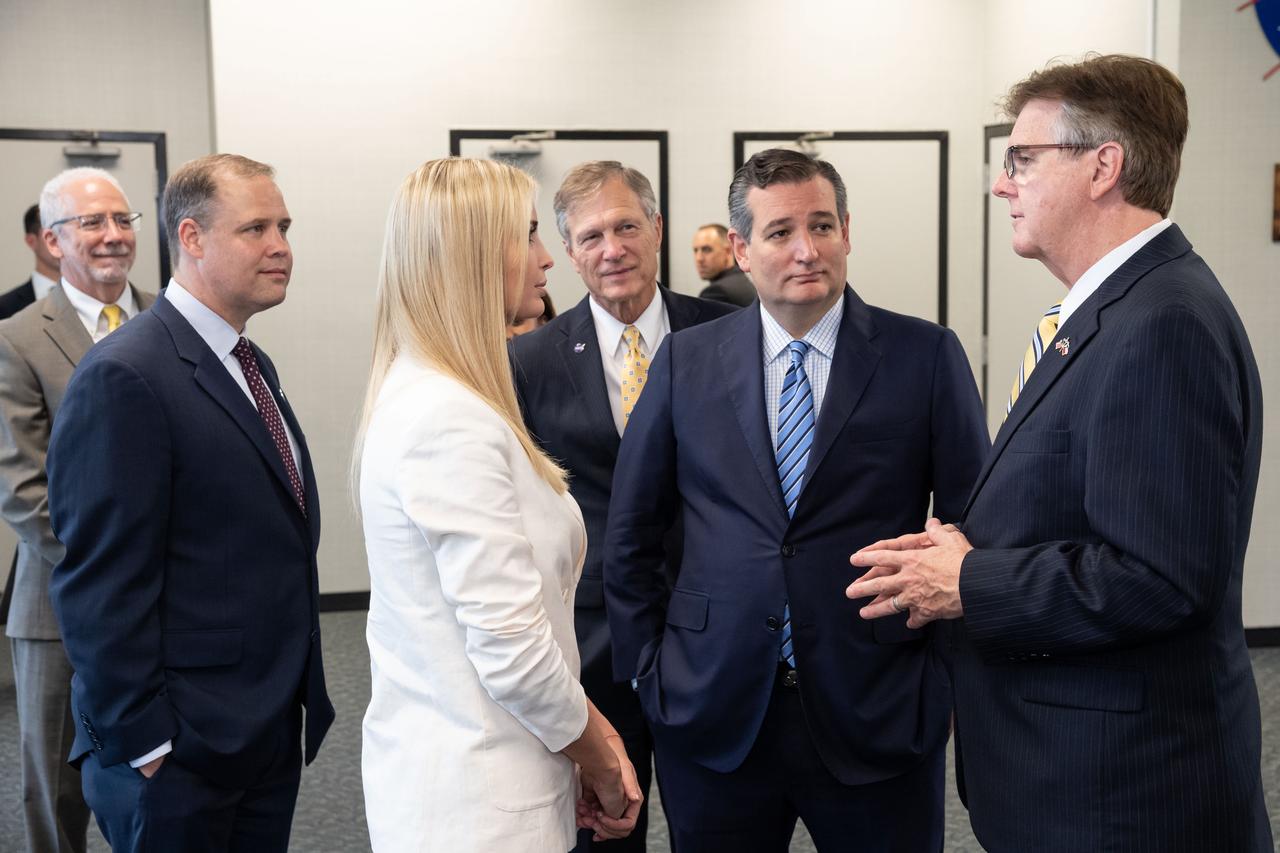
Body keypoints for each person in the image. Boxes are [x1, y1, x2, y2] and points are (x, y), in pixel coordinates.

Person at [847, 55, 1272, 852]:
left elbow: (1161, 577)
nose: (1002, 184)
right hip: (1079, 779)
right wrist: (970, 545)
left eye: (1022, 160)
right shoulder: (1120, 307)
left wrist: (968, 578)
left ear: (1102, 167)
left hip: (1123, 797)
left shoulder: (1162, 324)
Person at [604, 148, 989, 852]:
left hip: (880, 704)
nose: (806, 250)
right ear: (743, 251)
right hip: (711, 707)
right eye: (781, 232)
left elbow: (977, 528)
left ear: (847, 230)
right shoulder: (687, 361)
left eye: (822, 225)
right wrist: (648, 672)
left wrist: (947, 680)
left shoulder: (925, 355)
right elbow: (631, 530)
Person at [47, 153, 334, 853]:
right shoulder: (126, 375)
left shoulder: (248, 362)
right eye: (256, 228)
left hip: (260, 726)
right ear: (192, 238)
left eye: (285, 226)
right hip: (177, 754)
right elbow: (98, 584)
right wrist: (147, 742)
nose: (280, 247)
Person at [357, 157, 642, 853]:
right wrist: (602, 758)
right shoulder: (445, 417)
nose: (550, 259)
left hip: (492, 768)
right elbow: (512, 651)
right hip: (476, 802)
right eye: (531, 236)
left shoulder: (439, 393)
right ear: (475, 257)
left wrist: (570, 742)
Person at [511, 160, 735, 852]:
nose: (613, 248)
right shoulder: (529, 363)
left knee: (722, 828)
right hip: (594, 643)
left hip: (715, 637)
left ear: (657, 228)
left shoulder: (735, 334)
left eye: (627, 226)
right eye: (591, 236)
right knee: (606, 833)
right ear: (571, 254)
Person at [0, 168, 154, 853]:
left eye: (123, 221)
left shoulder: (170, 317)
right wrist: (111, 574)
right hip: (61, 606)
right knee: (55, 792)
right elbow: (23, 489)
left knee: (159, 778)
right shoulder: (18, 338)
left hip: (167, 602)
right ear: (53, 242)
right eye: (93, 223)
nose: (113, 236)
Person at [0, 203, 61, 319]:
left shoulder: (97, 296)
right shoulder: (5, 308)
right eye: (51, 236)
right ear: (31, 241)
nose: (63, 242)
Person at [693, 222, 753, 307]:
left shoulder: (716, 292)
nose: (699, 258)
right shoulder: (741, 281)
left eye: (706, 250)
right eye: (695, 250)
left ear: (728, 251)